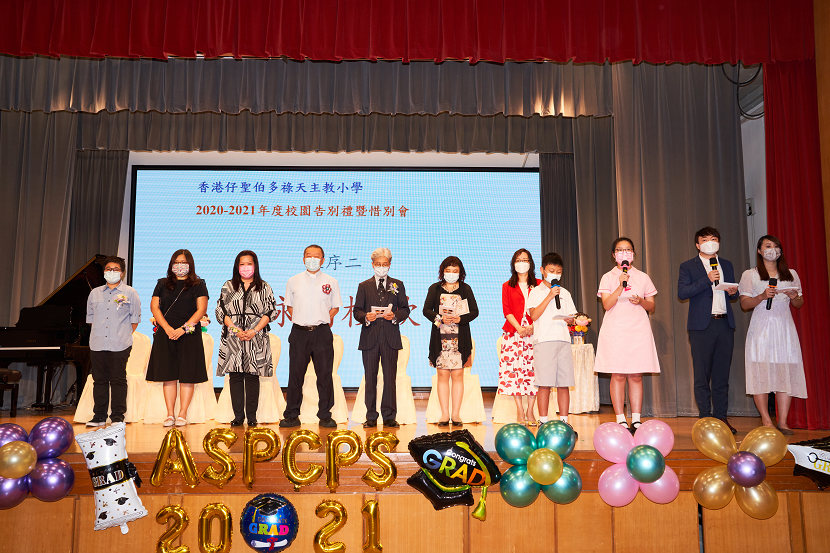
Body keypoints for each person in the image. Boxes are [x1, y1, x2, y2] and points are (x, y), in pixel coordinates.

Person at [739, 236, 806, 435]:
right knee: (760, 372)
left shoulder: (791, 274)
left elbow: (799, 304)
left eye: (776, 246)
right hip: (761, 328)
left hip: (784, 329)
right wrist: (761, 296)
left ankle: (782, 422)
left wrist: (795, 297)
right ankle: (766, 421)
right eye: (768, 246)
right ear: (759, 251)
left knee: (784, 372)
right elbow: (744, 304)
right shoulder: (750, 275)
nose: (772, 249)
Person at [677, 227, 740, 434]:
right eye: (705, 240)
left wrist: (733, 291)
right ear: (698, 245)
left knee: (722, 375)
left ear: (719, 243)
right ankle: (705, 419)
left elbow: (733, 296)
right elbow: (682, 292)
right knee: (702, 375)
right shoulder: (688, 266)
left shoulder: (727, 264)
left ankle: (721, 418)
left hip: (725, 324)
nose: (710, 242)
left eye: (713, 239)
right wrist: (707, 279)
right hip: (701, 326)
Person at [595, 237, 660, 432]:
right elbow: (607, 304)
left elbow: (652, 306)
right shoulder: (608, 277)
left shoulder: (643, 277)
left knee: (636, 375)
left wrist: (641, 301)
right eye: (620, 250)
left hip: (638, 329)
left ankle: (637, 419)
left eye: (628, 249)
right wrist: (620, 286)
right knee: (618, 374)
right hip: (615, 330)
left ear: (633, 253)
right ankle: (620, 418)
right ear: (614, 254)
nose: (624, 253)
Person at [280, 245, 342, 428]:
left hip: (322, 333)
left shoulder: (331, 281)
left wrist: (321, 318)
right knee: (295, 375)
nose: (312, 259)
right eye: (309, 256)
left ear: (323, 260)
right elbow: (289, 306)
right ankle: (292, 415)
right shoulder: (293, 281)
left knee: (324, 375)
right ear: (303, 259)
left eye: (316, 257)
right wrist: (303, 319)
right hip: (299, 333)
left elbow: (335, 307)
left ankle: (325, 415)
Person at [146, 249, 209, 427]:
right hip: (166, 332)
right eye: (177, 262)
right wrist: (167, 328)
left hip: (189, 333)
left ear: (190, 264)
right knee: (168, 374)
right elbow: (155, 307)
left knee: (187, 375)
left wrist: (183, 329)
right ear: (171, 264)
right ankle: (169, 414)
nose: (180, 265)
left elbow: (201, 309)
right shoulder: (162, 283)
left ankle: (182, 414)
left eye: (183, 262)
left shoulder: (199, 284)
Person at [215, 250, 277, 427]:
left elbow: (270, 311)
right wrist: (235, 330)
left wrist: (254, 330)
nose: (246, 267)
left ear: (255, 265)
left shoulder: (264, 287)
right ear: (237, 266)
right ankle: (238, 417)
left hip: (255, 337)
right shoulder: (228, 286)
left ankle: (252, 417)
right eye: (242, 264)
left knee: (252, 376)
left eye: (249, 264)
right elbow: (221, 311)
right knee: (235, 376)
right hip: (233, 337)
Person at [353, 248, 410, 429]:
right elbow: (357, 311)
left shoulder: (397, 284)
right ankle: (371, 416)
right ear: (372, 265)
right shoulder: (364, 285)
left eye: (385, 264)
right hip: (370, 338)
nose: (381, 267)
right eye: (378, 264)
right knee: (370, 378)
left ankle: (389, 416)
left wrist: (395, 316)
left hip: (390, 338)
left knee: (390, 378)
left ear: (390, 265)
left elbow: (405, 309)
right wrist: (365, 317)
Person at [85, 256, 141, 427]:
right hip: (98, 343)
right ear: (104, 272)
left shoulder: (130, 292)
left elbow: (134, 320)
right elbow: (91, 319)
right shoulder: (94, 293)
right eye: (108, 269)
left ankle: (117, 416)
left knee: (118, 380)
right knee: (99, 380)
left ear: (122, 273)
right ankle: (99, 416)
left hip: (120, 343)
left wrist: (122, 335)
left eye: (116, 269)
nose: (111, 272)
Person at [423, 256, 479, 426]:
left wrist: (460, 319)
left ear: (460, 272)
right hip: (440, 338)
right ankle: (444, 415)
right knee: (442, 375)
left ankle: (455, 415)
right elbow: (426, 310)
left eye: (455, 271)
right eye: (448, 270)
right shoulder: (434, 288)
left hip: (459, 339)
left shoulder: (465, 288)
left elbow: (474, 311)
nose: (451, 274)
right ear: (443, 271)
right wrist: (439, 318)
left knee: (458, 375)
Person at [527, 253, 576, 428]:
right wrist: (549, 296)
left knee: (564, 383)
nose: (555, 274)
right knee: (544, 384)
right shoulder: (535, 292)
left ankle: (564, 422)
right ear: (542, 270)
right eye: (551, 270)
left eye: (558, 271)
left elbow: (572, 317)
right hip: (544, 341)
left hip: (563, 341)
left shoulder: (565, 293)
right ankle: (543, 421)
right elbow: (533, 315)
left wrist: (571, 320)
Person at [499, 249, 541, 425]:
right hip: (513, 333)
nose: (522, 263)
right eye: (518, 260)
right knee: (515, 371)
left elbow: (543, 309)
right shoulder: (507, 285)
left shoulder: (539, 284)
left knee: (533, 372)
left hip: (535, 332)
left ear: (530, 263)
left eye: (525, 260)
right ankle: (520, 410)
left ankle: (531, 411)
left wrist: (532, 327)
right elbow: (507, 310)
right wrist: (519, 328)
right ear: (513, 264)